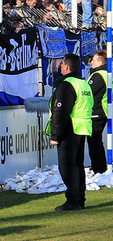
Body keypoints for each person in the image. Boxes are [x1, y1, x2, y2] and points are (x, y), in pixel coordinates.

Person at [47, 53, 93, 211]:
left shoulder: (67, 85)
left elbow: (60, 113)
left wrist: (55, 135)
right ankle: (80, 200)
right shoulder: (84, 84)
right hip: (82, 129)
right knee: (78, 166)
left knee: (67, 167)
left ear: (67, 66)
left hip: (69, 130)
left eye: (61, 64)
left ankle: (73, 201)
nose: (59, 66)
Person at [87, 51, 108, 175]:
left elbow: (88, 92)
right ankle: (99, 167)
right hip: (103, 110)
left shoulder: (98, 76)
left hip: (97, 111)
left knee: (94, 140)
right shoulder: (106, 74)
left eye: (93, 60)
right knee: (96, 140)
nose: (91, 63)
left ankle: (98, 168)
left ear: (100, 62)